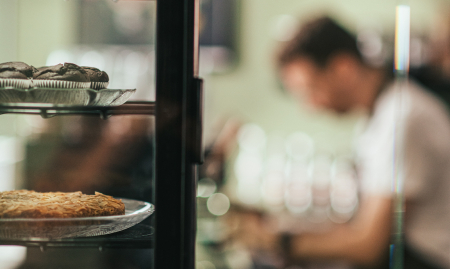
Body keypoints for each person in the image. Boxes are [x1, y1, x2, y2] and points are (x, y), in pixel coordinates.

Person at [267, 17, 450, 268]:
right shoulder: (378, 116)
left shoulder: (404, 117)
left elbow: (369, 244)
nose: (311, 106)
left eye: (311, 89)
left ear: (344, 68)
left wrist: (277, 241)